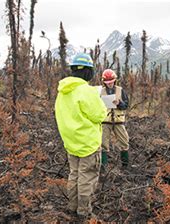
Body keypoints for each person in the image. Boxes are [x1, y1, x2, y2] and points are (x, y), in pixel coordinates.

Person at [55, 53, 107, 218]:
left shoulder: (62, 90)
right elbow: (99, 115)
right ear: (88, 72)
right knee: (87, 177)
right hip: (88, 144)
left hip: (71, 142)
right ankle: (84, 212)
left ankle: (72, 206)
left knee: (74, 174)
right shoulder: (87, 91)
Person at [100, 69, 130, 169]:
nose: (109, 84)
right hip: (105, 121)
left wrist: (119, 103)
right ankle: (104, 168)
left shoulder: (121, 90)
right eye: (107, 82)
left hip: (118, 121)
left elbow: (126, 105)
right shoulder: (100, 92)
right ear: (104, 82)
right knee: (103, 145)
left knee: (124, 143)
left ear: (115, 80)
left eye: (111, 82)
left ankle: (125, 166)